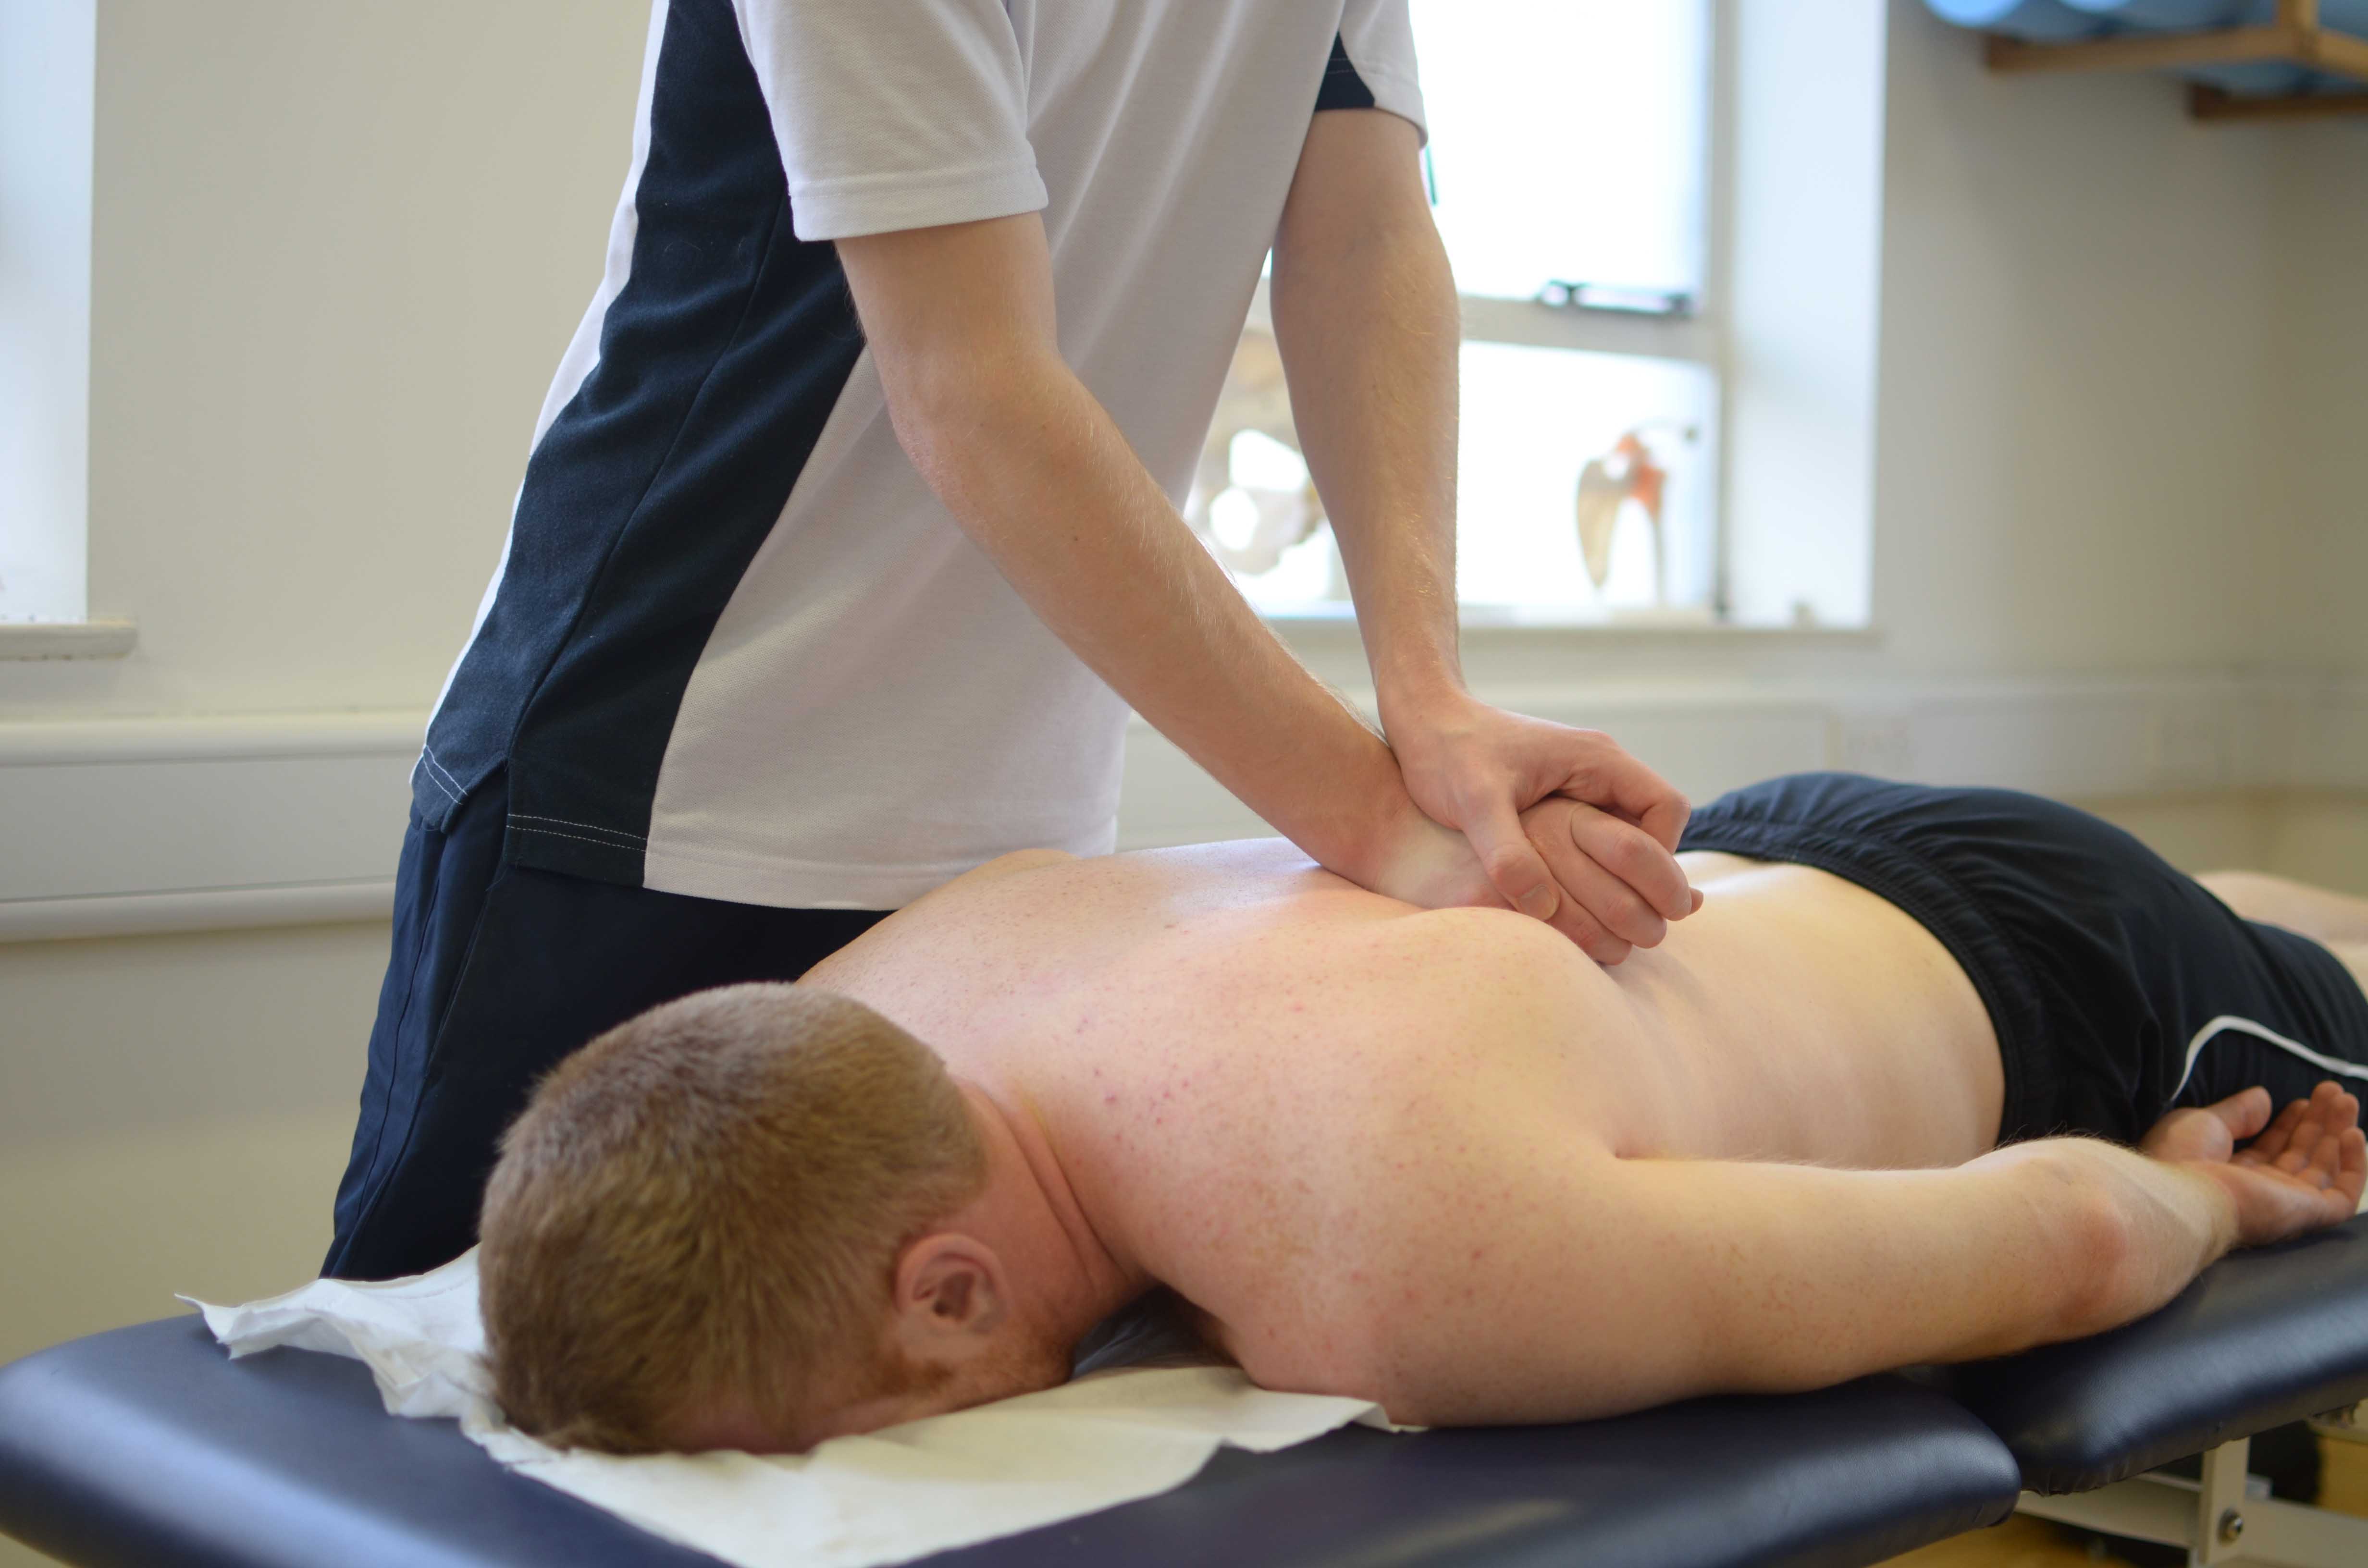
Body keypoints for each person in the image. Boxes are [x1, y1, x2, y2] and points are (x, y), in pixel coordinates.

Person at [324, 0, 1702, 1285]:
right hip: (662, 790)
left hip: (1004, 858)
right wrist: (1378, 822)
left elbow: (1361, 237)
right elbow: (971, 384)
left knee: (920, 1429)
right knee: (459, 1413)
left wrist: (1430, 706)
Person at [476, 773, 2368, 1455]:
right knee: (2277, 919)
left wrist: (2200, 1199)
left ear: (948, 1293)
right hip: (1753, 864)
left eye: (844, 1436)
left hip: (2054, 976)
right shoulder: (885, 991)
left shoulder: (1384, 1254)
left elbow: (2054, 1245)